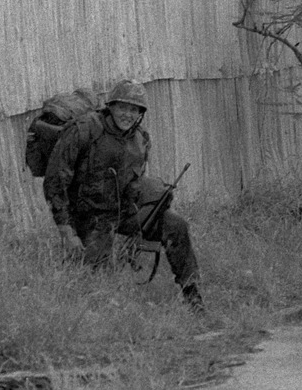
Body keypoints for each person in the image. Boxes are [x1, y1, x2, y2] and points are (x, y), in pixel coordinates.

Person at [43, 79, 204, 311]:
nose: (127, 114)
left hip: (125, 212)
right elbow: (56, 181)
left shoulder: (141, 139)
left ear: (140, 114)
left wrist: (144, 218)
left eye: (134, 109)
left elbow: (135, 182)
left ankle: (193, 297)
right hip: (90, 218)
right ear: (111, 107)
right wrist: (66, 230)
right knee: (97, 285)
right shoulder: (84, 130)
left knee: (175, 225)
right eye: (122, 107)